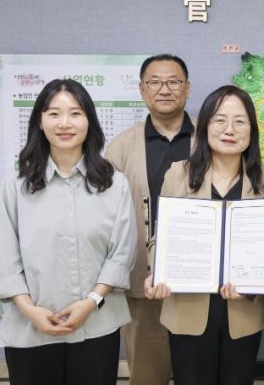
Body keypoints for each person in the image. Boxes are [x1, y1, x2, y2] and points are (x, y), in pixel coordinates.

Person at [0, 79, 137, 385]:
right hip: (30, 330)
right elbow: (5, 260)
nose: (65, 123)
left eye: (75, 113)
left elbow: (121, 254)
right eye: (54, 114)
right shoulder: (15, 188)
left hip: (96, 326)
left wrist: (91, 301)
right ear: (40, 122)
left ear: (89, 121)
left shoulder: (115, 185)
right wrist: (30, 311)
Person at [144, 85, 264, 385]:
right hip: (187, 309)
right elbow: (160, 236)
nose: (229, 129)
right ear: (204, 126)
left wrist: (256, 284)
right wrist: (156, 272)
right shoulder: (178, 173)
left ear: (252, 129)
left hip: (244, 312)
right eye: (220, 120)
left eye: (240, 121)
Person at [105, 54, 195, 385]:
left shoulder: (211, 137)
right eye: (155, 82)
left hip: (199, 287)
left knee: (199, 374)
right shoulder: (120, 147)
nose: (164, 89)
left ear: (187, 88)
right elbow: (107, 218)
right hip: (142, 286)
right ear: (142, 90)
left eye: (173, 81)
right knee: (146, 376)